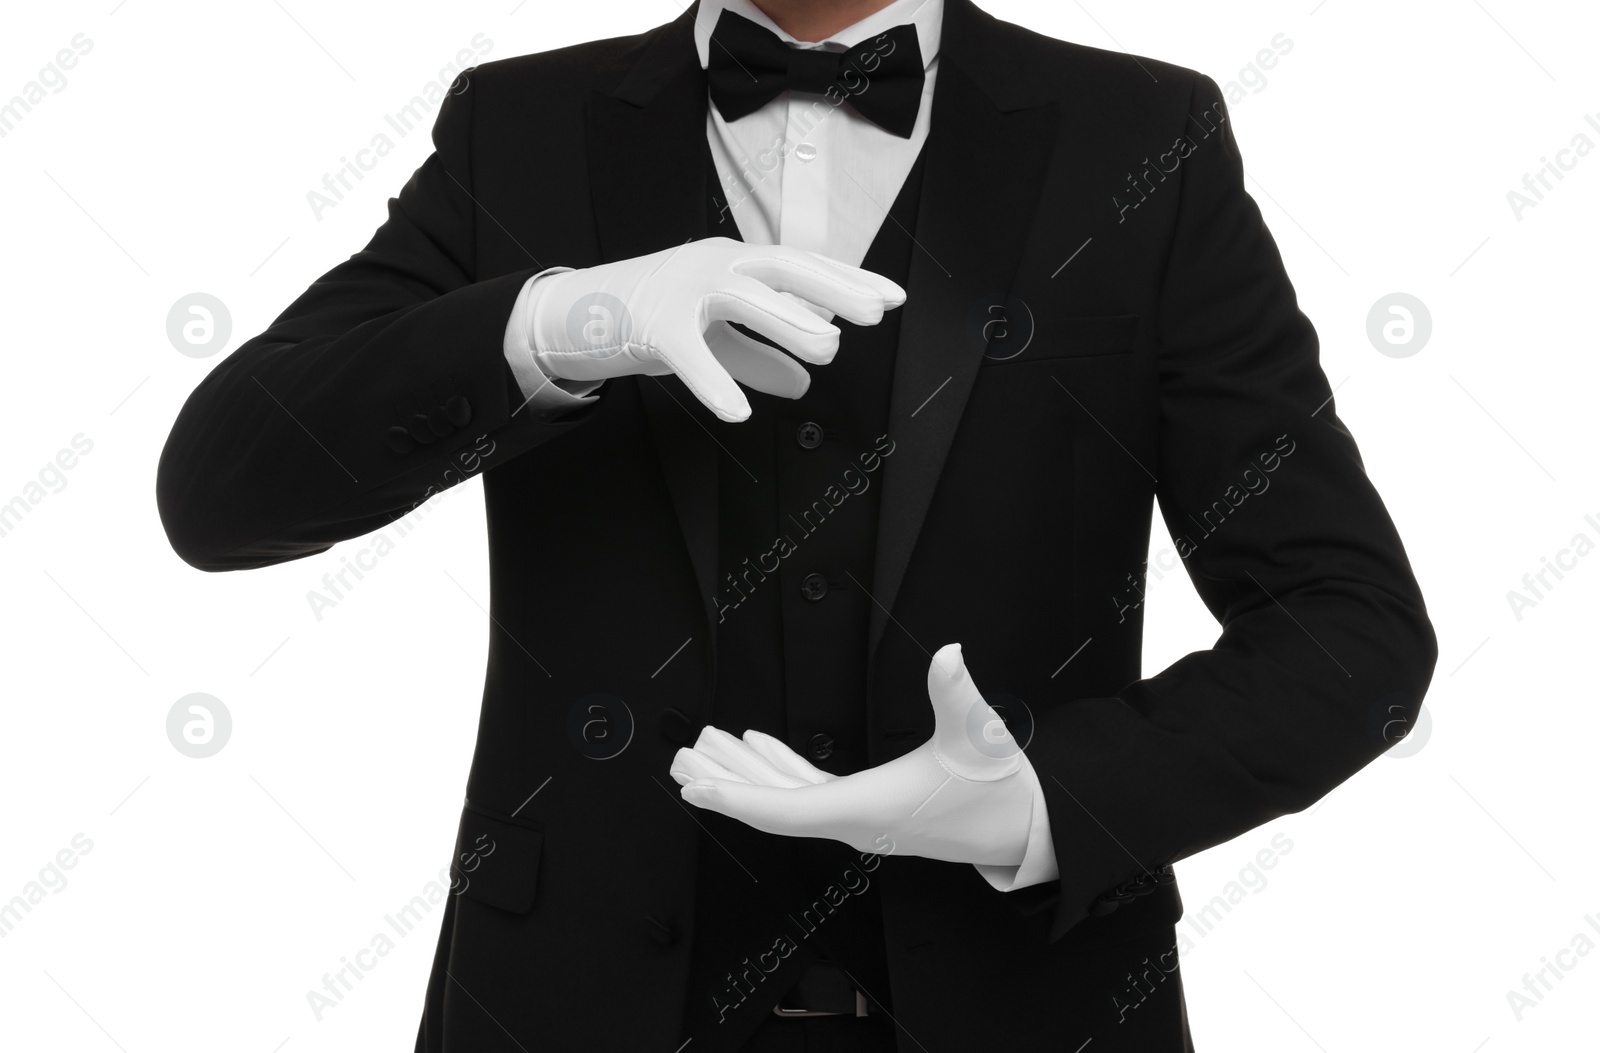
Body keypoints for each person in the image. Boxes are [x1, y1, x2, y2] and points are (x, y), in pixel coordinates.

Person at [155, 1, 1437, 1049]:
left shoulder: (1142, 135)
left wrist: (1040, 799)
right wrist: (567, 320)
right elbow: (221, 492)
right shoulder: (521, 126)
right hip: (570, 1012)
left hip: (1027, 1008)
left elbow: (1351, 634)